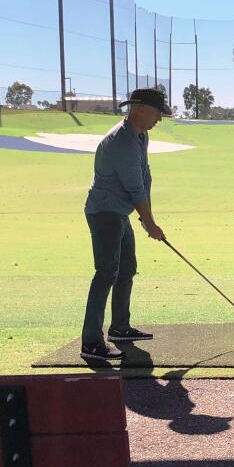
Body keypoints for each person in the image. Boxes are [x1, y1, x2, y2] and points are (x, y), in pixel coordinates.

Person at [80, 87, 169, 361]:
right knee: (106, 272)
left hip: (119, 212)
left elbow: (145, 179)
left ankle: (119, 327)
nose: (159, 119)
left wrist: (146, 219)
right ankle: (91, 342)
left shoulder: (140, 136)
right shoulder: (122, 142)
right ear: (139, 109)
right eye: (157, 113)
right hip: (104, 212)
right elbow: (134, 189)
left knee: (127, 268)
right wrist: (150, 223)